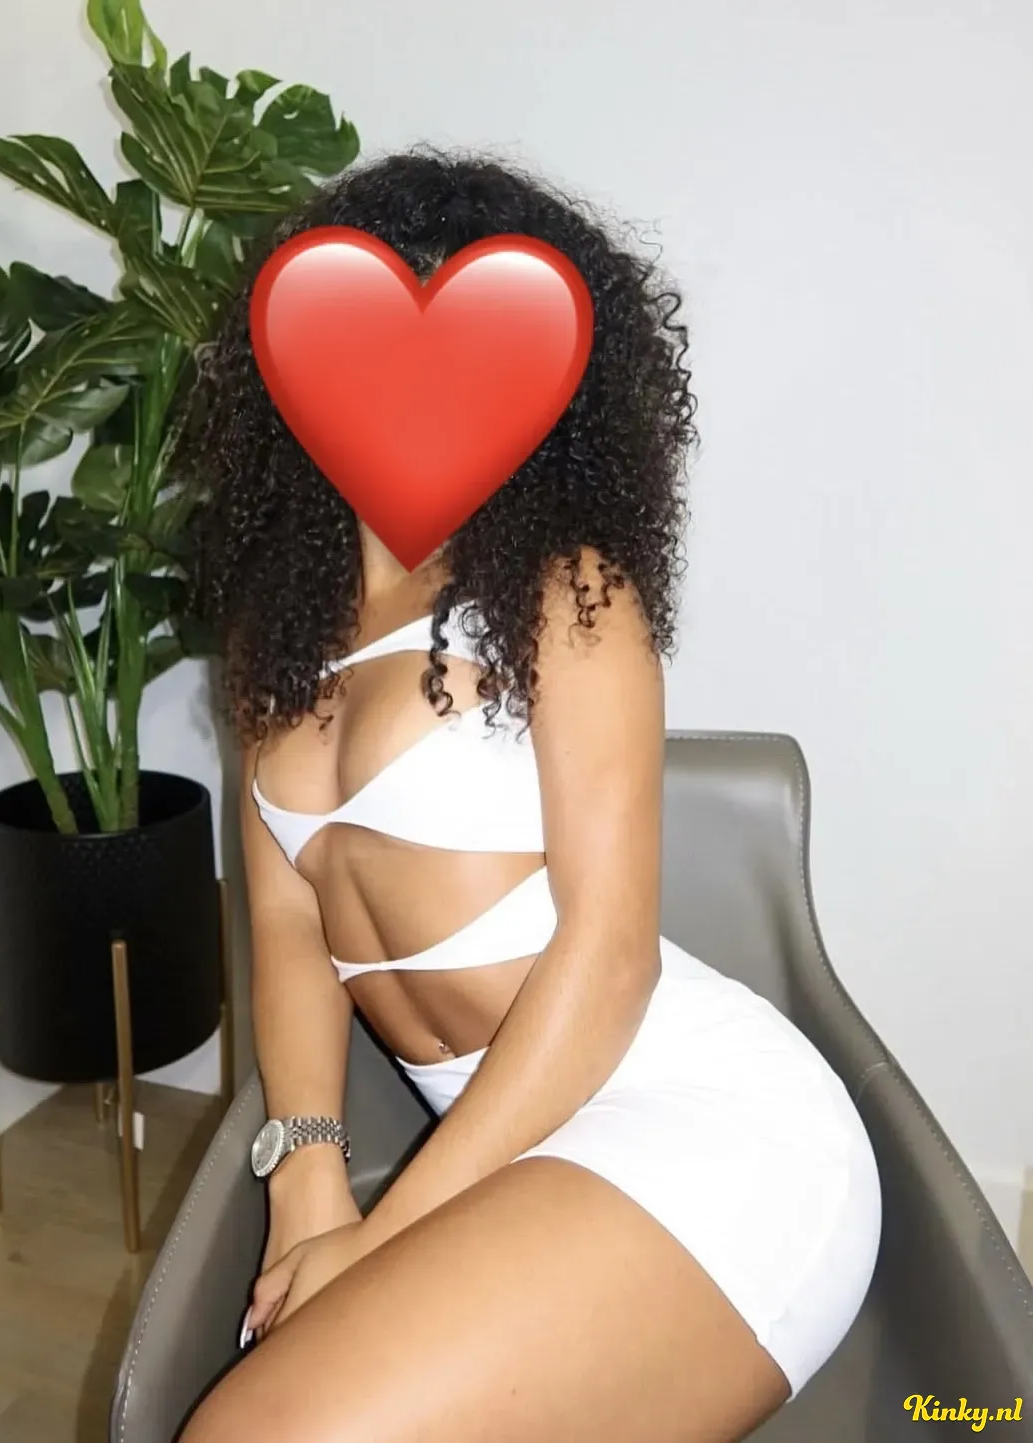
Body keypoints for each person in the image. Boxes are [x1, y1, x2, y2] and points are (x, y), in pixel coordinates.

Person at [176, 150, 881, 1443]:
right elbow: (285, 924)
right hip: (506, 1149)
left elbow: (608, 960)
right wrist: (307, 1178)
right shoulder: (275, 631)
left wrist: (384, 1235)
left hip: (698, 1125)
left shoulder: (568, 591)